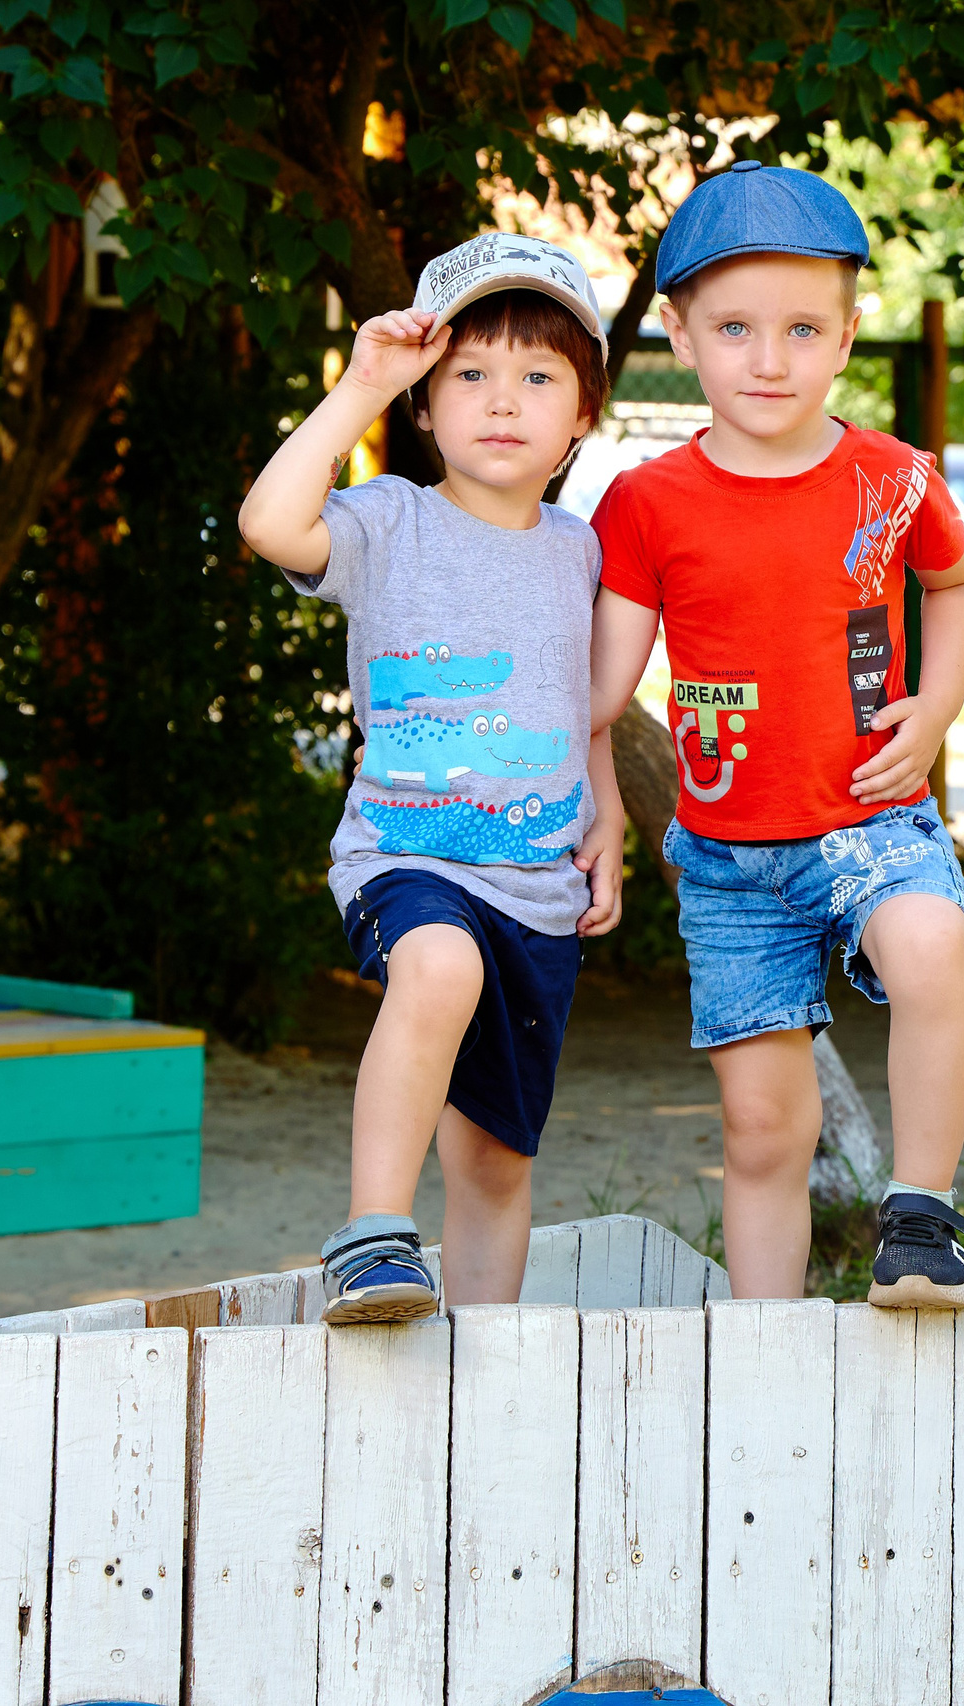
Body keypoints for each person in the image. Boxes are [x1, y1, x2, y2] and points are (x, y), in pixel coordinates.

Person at [590, 162, 964, 1308]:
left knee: (927, 946)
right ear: (679, 333)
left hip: (872, 810)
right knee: (764, 1126)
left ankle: (920, 1214)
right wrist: (605, 798)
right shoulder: (646, 501)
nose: (769, 359)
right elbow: (600, 690)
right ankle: (763, 1344)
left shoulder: (892, 480)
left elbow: (960, 586)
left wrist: (941, 698)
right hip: (728, 860)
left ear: (848, 336)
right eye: (735, 328)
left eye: (802, 328)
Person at [239, 233, 625, 1325]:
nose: (503, 401)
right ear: (423, 401)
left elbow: (581, 703)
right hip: (407, 857)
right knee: (439, 967)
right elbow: (269, 522)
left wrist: (614, 814)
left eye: (538, 376)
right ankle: (371, 1237)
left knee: (498, 1165)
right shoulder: (387, 521)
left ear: (583, 412)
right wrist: (362, 380)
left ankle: (485, 1371)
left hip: (539, 888)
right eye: (470, 374)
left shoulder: (579, 549)